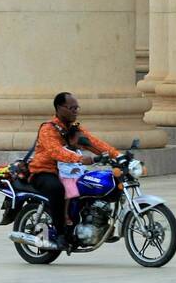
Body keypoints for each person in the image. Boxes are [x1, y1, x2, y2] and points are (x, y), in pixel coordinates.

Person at [27, 93, 121, 250]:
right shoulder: (48, 129)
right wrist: (78, 159)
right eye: (72, 108)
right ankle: (62, 233)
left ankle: (93, 223)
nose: (76, 111)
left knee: (90, 186)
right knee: (57, 189)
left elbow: (94, 143)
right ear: (59, 108)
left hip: (70, 172)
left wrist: (119, 156)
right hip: (45, 171)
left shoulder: (74, 128)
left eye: (77, 107)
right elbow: (54, 151)